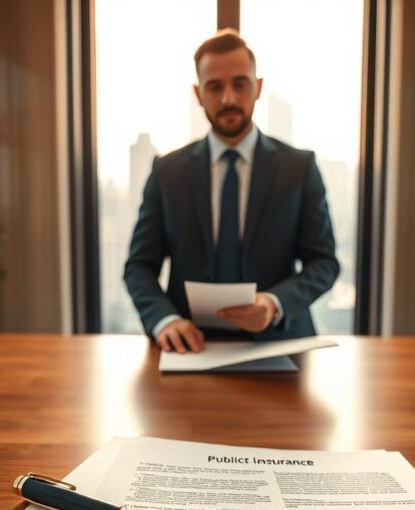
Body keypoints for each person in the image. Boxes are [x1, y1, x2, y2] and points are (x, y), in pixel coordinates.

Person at [123, 30, 339, 354]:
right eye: (215, 86)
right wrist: (164, 320)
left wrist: (274, 303)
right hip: (188, 347)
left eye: (239, 83)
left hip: (281, 346)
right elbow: (139, 266)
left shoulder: (300, 167)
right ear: (198, 93)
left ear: (258, 87)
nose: (228, 98)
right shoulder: (166, 172)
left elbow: (324, 263)